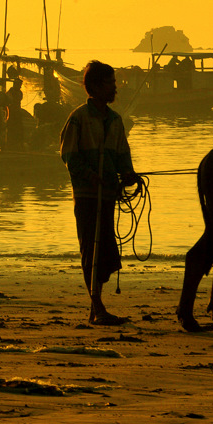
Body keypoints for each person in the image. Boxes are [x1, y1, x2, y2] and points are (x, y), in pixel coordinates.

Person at [59, 60, 140, 326]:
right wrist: (91, 176)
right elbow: (69, 156)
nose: (115, 89)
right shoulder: (79, 118)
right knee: (90, 249)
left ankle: (97, 306)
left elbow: (122, 155)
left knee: (105, 249)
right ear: (94, 87)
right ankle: (97, 307)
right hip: (86, 195)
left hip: (108, 195)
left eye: (115, 84)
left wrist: (128, 174)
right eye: (111, 84)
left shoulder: (116, 120)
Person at [6, 79, 25, 150]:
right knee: (11, 128)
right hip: (11, 113)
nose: (20, 86)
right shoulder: (10, 92)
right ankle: (10, 143)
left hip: (17, 112)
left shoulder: (19, 92)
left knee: (19, 128)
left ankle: (19, 143)